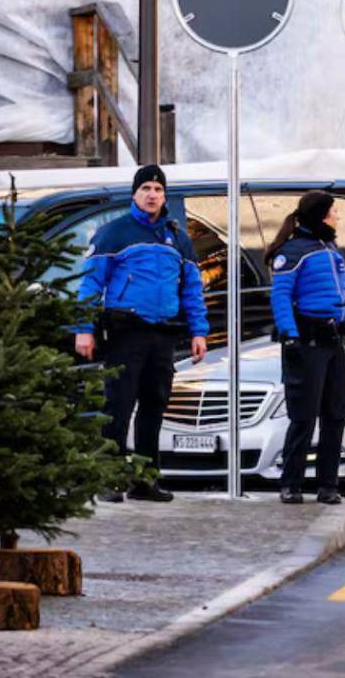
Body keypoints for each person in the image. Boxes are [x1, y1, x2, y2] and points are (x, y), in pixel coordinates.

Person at [74, 164, 209, 503]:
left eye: (158, 189)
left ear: (165, 195)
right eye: (146, 188)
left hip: (163, 334)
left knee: (154, 407)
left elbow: (192, 288)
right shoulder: (114, 232)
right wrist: (84, 329)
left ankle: (145, 481)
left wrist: (199, 331)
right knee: (117, 407)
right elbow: (91, 284)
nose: (152, 195)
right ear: (134, 193)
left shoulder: (177, 236)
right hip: (126, 332)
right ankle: (109, 478)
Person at [267, 191, 345, 505]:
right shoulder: (293, 252)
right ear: (321, 215)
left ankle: (328, 485)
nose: (337, 217)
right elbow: (280, 296)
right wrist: (289, 334)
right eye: (333, 212)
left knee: (335, 414)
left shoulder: (331, 249)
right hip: (307, 343)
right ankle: (291, 484)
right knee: (303, 416)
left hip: (336, 343)